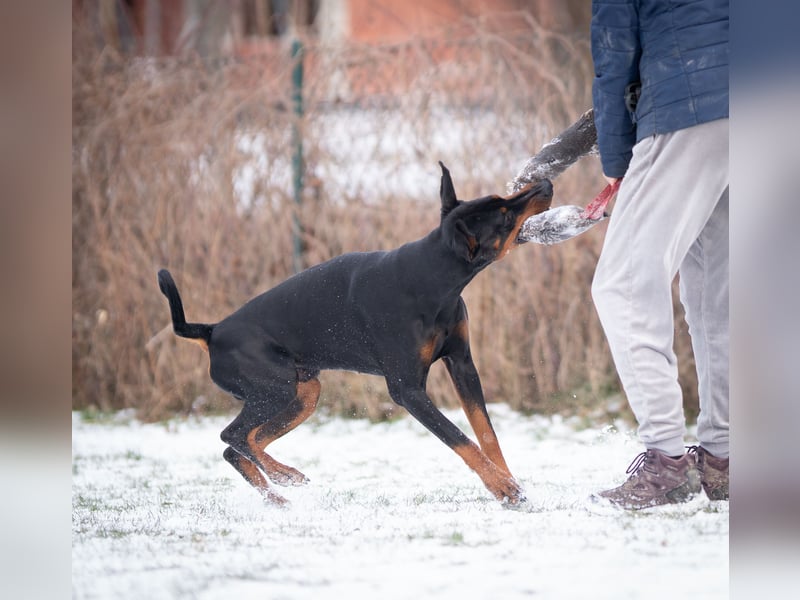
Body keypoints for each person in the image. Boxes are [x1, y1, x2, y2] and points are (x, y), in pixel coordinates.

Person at [589, 0, 729, 509]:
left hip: (689, 102)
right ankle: (725, 460)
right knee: (720, 297)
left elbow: (614, 50)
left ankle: (667, 462)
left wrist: (616, 158)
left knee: (622, 286)